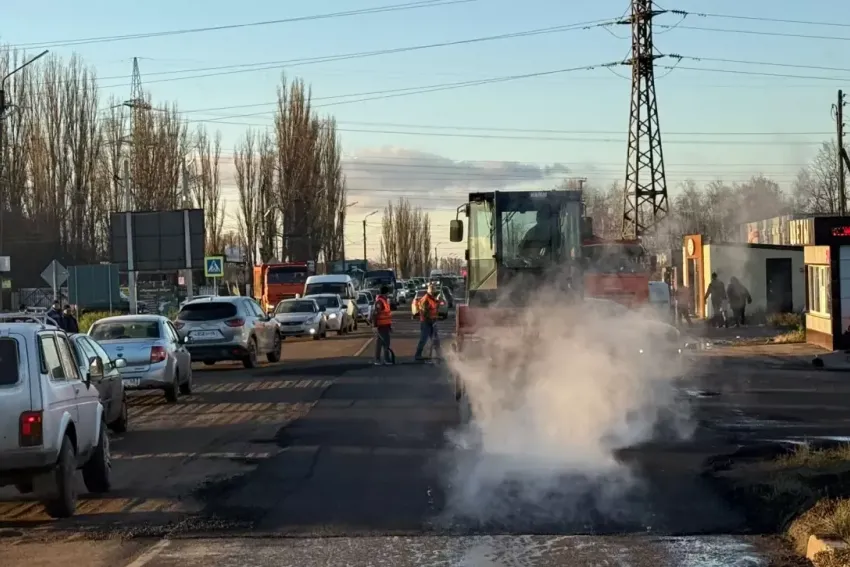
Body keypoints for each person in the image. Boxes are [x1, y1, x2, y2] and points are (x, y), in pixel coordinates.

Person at [414, 282, 442, 362]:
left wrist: (438, 301)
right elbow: (424, 313)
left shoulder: (432, 299)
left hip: (432, 322)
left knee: (436, 339)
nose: (434, 293)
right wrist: (431, 321)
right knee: (423, 339)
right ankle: (418, 354)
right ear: (430, 292)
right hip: (426, 322)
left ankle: (439, 354)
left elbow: (435, 308)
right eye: (433, 292)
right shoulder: (425, 299)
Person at [372, 285, 393, 366]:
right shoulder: (380, 302)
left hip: (386, 326)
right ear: (385, 293)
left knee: (386, 343)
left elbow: (387, 314)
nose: (388, 294)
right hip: (381, 326)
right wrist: (375, 326)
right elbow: (375, 314)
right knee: (380, 343)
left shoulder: (385, 301)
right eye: (387, 293)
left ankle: (386, 359)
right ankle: (378, 359)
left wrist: (389, 326)